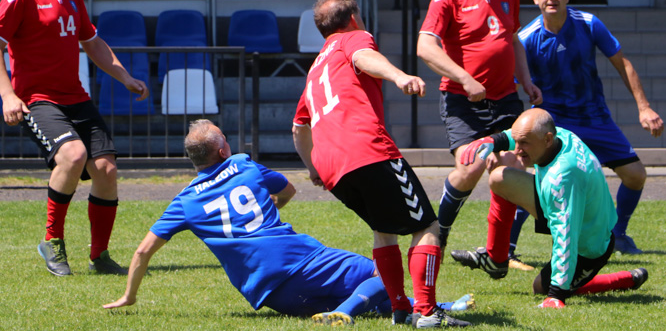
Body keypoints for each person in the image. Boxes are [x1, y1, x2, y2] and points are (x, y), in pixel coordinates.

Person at [102, 120, 475, 325]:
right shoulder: (244, 165)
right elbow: (289, 190)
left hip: (271, 294)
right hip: (301, 259)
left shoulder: (184, 201)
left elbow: (142, 250)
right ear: (223, 150)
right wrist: (271, 205)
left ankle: (433, 305)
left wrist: (129, 296)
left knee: (369, 295)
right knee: (380, 276)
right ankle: (346, 315)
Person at [292, 0, 469, 328]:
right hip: (367, 150)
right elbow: (363, 58)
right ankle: (428, 312)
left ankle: (400, 307)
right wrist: (400, 76)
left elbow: (299, 127)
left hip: (332, 167)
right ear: (354, 18)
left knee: (382, 229)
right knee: (427, 226)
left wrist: (312, 167)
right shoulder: (354, 38)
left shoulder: (315, 68)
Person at [0, 0, 149, 276]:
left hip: (75, 97)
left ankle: (99, 256)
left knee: (106, 169)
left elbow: (92, 42)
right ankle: (52, 243)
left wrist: (124, 76)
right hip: (37, 100)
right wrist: (7, 95)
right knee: (74, 155)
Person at [416, 0, 542, 272]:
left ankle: (497, 256)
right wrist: (465, 78)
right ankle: (438, 232)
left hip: (506, 100)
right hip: (462, 101)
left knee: (512, 171)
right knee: (470, 167)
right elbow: (425, 46)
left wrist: (527, 82)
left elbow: (513, 41)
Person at [517, 0, 664, 254]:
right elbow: (515, 84)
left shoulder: (588, 23)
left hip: (595, 118)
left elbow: (624, 64)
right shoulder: (526, 38)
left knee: (635, 175)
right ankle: (506, 248)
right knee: (536, 182)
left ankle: (617, 235)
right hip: (553, 123)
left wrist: (644, 107)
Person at [457, 109, 649, 307]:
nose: (517, 150)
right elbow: (518, 137)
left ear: (548, 139)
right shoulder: (559, 135)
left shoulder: (563, 177)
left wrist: (556, 295)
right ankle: (496, 260)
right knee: (500, 178)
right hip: (570, 208)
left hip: (590, 244)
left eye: (524, 144)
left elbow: (566, 236)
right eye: (517, 142)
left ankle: (624, 279)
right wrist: (491, 141)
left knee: (541, 287)